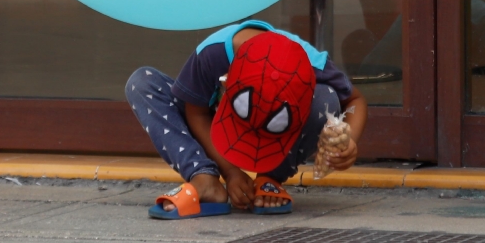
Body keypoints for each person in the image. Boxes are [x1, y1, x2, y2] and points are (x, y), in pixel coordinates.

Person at [126, 21, 367, 217]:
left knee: (326, 97)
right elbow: (196, 112)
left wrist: (349, 141)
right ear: (229, 77)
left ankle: (270, 178)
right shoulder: (213, 53)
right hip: (214, 125)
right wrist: (230, 172)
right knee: (142, 82)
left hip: (278, 137)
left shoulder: (310, 64)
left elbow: (355, 101)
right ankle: (204, 178)